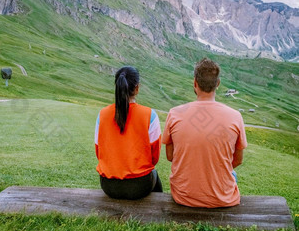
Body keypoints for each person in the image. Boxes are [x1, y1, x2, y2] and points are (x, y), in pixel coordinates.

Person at [162, 58, 247, 208]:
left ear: (195, 83)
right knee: (232, 175)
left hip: (183, 196)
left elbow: (170, 157)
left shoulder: (174, 113)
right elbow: (238, 160)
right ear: (218, 84)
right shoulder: (235, 116)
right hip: (222, 198)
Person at [95, 65, 163, 199]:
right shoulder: (150, 115)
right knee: (154, 175)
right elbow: (154, 156)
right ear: (137, 88)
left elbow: (98, 151)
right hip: (139, 185)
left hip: (108, 185)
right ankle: (158, 213)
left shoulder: (102, 115)